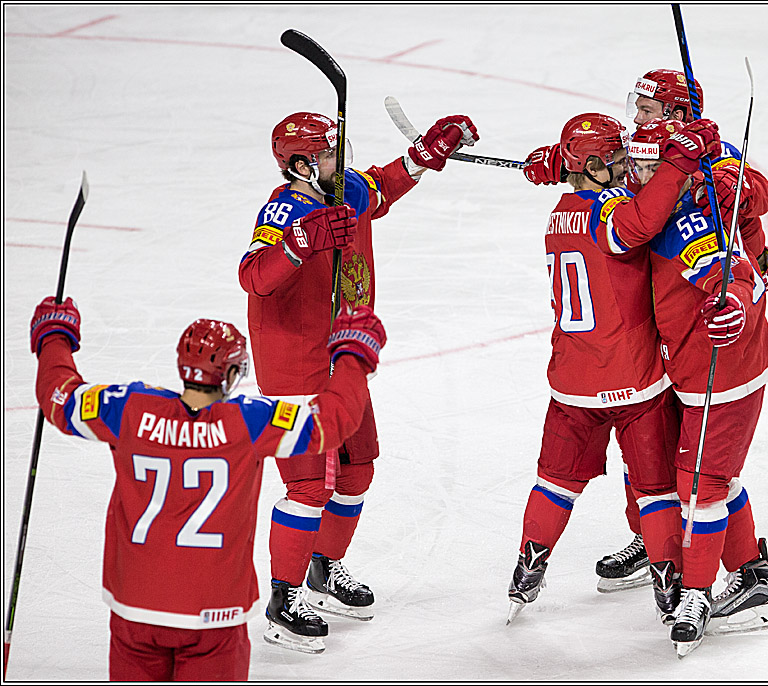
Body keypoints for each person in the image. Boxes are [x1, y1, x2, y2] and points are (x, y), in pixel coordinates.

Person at [522, 68, 768, 592]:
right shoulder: (647, 157)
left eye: (646, 110)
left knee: (701, 474)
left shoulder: (714, 157)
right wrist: (562, 162)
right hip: (659, 347)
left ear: (678, 114)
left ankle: (738, 570)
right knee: (653, 458)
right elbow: (612, 176)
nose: (635, 120)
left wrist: (741, 192)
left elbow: (755, 201)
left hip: (704, 343)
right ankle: (652, 542)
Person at [29, 294, 387, 678]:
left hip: (135, 608)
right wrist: (352, 357)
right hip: (214, 615)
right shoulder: (249, 421)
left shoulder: (128, 407)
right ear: (230, 374)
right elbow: (331, 422)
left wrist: (54, 337)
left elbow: (60, 396)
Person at [238, 110, 478, 650]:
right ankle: (282, 601)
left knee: (357, 469)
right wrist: (302, 240)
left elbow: (382, 184)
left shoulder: (342, 188)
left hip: (343, 358)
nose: (339, 160)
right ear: (301, 165)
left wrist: (427, 153)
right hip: (296, 367)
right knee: (308, 486)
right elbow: (253, 276)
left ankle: (324, 567)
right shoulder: (285, 209)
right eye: (328, 153)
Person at [505, 112, 720, 626]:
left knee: (554, 481)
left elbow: (599, 195)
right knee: (656, 489)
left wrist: (561, 164)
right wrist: (678, 163)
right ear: (594, 166)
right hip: (633, 378)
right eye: (619, 160)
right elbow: (639, 223)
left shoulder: (560, 212)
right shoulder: (610, 212)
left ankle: (528, 564)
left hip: (571, 381)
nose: (627, 169)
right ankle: (667, 581)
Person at [607, 116, 768, 656]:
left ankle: (697, 594)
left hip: (723, 376)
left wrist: (734, 304)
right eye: (634, 166)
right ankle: (752, 576)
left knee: (699, 486)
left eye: (649, 168)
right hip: (686, 371)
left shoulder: (691, 222)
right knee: (714, 479)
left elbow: (730, 274)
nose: (637, 177)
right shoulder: (657, 202)